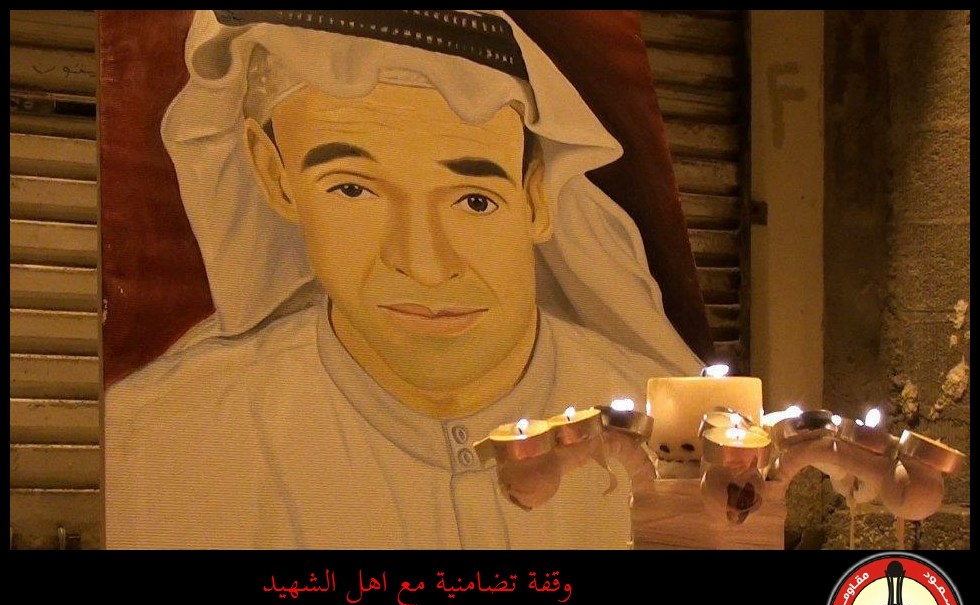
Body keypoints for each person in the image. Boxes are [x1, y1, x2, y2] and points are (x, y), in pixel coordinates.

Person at [103, 10, 705, 549]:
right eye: (353, 191)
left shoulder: (679, 438)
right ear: (274, 174)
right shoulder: (155, 438)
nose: (425, 266)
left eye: (473, 200)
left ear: (537, 197)